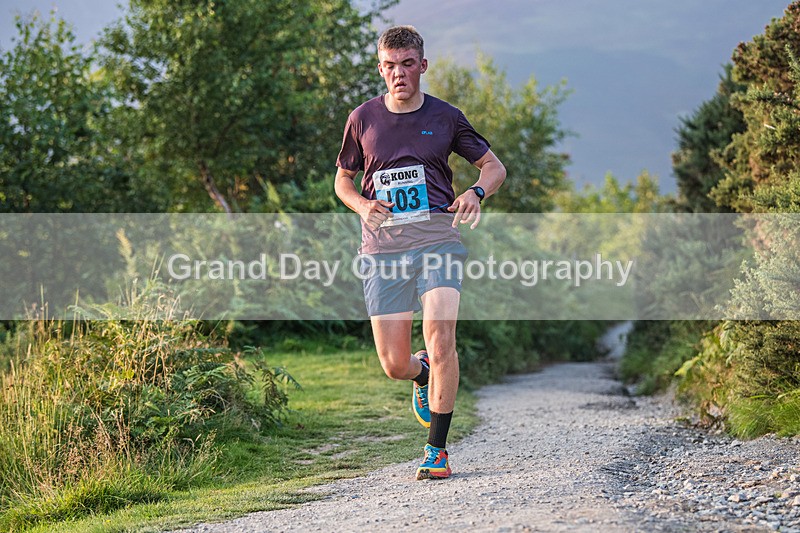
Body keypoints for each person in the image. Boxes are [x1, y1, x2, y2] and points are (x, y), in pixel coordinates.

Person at [334, 25, 506, 480]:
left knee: (440, 334)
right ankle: (420, 373)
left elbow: (494, 166)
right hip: (382, 248)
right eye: (390, 66)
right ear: (380, 68)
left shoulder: (447, 117)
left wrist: (475, 193)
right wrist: (362, 204)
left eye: (407, 64)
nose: (399, 74)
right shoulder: (362, 119)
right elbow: (343, 180)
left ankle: (437, 451)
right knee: (393, 363)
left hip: (437, 240)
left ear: (422, 66)